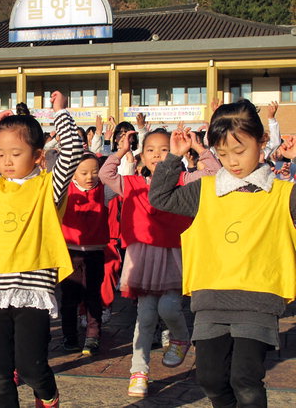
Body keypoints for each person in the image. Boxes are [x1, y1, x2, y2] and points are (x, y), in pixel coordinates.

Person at [149, 100, 296, 408]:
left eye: (239, 151)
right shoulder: (206, 189)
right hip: (210, 299)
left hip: (259, 299)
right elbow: (161, 197)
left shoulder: (283, 193)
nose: (232, 161)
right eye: (223, 153)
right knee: (210, 378)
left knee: (245, 378)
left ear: (263, 142)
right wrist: (175, 157)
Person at [0, 91, 83, 408]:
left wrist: (60, 112)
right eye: (0, 154)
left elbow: (71, 151)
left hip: (33, 288)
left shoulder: (48, 187)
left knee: (31, 368)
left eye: (15, 153)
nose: (6, 161)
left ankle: (48, 395)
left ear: (38, 156)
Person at [100, 127, 221, 397]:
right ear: (142, 156)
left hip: (172, 254)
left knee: (168, 306)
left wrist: (199, 149)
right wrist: (120, 151)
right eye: (151, 150)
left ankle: (180, 337)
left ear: (175, 152)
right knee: (144, 318)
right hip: (142, 257)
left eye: (164, 149)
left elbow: (215, 173)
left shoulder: (185, 179)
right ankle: (138, 372)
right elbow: (104, 174)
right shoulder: (131, 183)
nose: (157, 155)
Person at [60, 153, 111, 356]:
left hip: (95, 253)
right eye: (83, 172)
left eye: (94, 172)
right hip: (69, 253)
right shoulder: (64, 192)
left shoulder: (105, 191)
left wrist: (123, 153)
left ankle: (93, 335)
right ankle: (69, 336)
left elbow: (116, 175)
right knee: (69, 298)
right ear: (72, 174)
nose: (89, 176)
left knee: (92, 297)